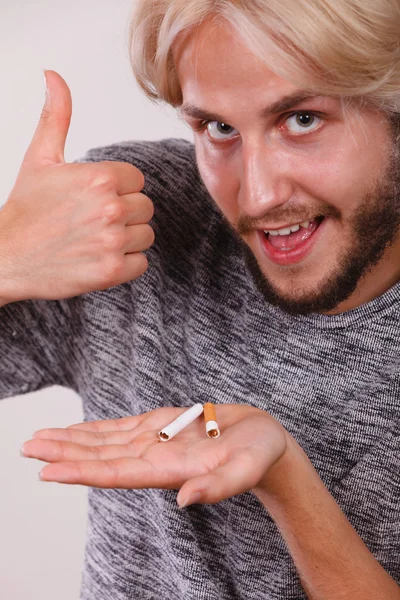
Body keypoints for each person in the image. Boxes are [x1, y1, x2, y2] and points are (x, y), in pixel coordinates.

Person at [1, 1, 400, 598]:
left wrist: (288, 483)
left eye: (302, 119)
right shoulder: (138, 221)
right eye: (219, 129)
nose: (259, 195)